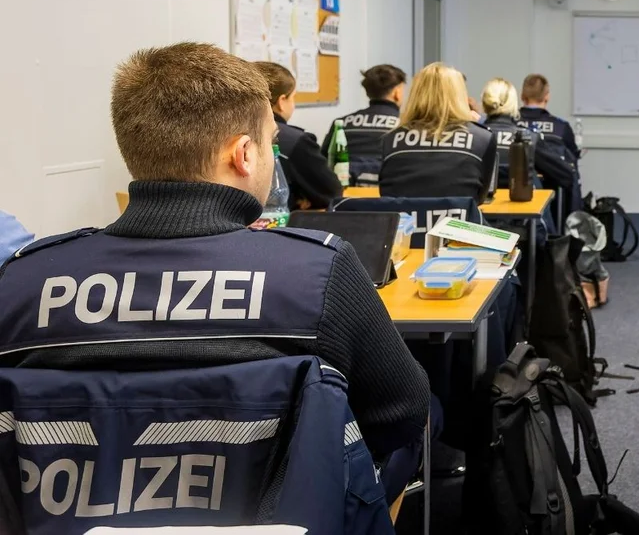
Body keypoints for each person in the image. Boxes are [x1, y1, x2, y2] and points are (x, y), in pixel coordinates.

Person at [0, 43, 431, 491]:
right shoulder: (318, 272)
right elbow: (400, 412)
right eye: (271, 144)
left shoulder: (22, 279)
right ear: (243, 154)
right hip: (282, 512)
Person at [379, 62, 497, 203]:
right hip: (458, 217)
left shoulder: (390, 139)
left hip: (404, 217)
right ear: (459, 94)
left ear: (415, 93)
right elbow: (481, 197)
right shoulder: (483, 138)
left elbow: (385, 193)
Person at [255, 61, 343, 211]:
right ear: (282, 101)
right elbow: (331, 192)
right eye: (293, 97)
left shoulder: (227, 131)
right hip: (281, 220)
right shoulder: (295, 141)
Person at [481, 78, 574, 190]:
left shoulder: (474, 136)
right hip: (519, 201)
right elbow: (565, 175)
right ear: (513, 103)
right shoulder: (528, 138)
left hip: (479, 201)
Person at [322, 64, 406, 185]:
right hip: (390, 192)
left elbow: (325, 161)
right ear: (397, 93)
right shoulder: (406, 125)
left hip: (346, 193)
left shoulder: (341, 124)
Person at [518, 73, 583, 214]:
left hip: (514, 194)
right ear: (547, 96)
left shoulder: (511, 125)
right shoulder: (561, 127)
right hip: (554, 199)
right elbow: (572, 160)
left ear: (522, 96)